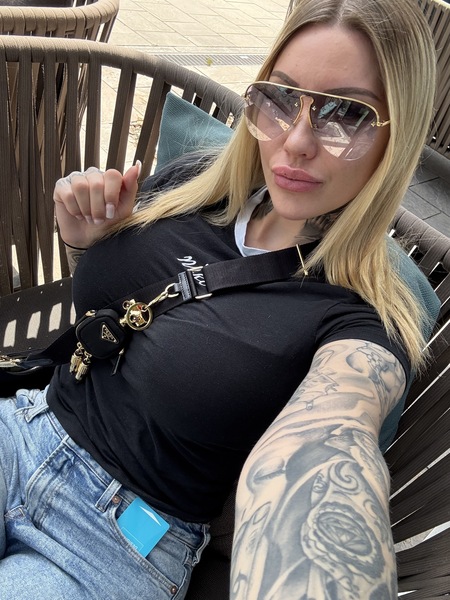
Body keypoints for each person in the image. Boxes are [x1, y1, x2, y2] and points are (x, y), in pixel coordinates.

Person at [0, 0, 440, 598]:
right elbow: (117, 317)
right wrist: (84, 240)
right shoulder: (193, 184)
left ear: (398, 135)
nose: (296, 141)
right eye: (281, 98)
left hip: (117, 542)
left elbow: (331, 438)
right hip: (26, 427)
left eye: (346, 114)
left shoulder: (361, 319)